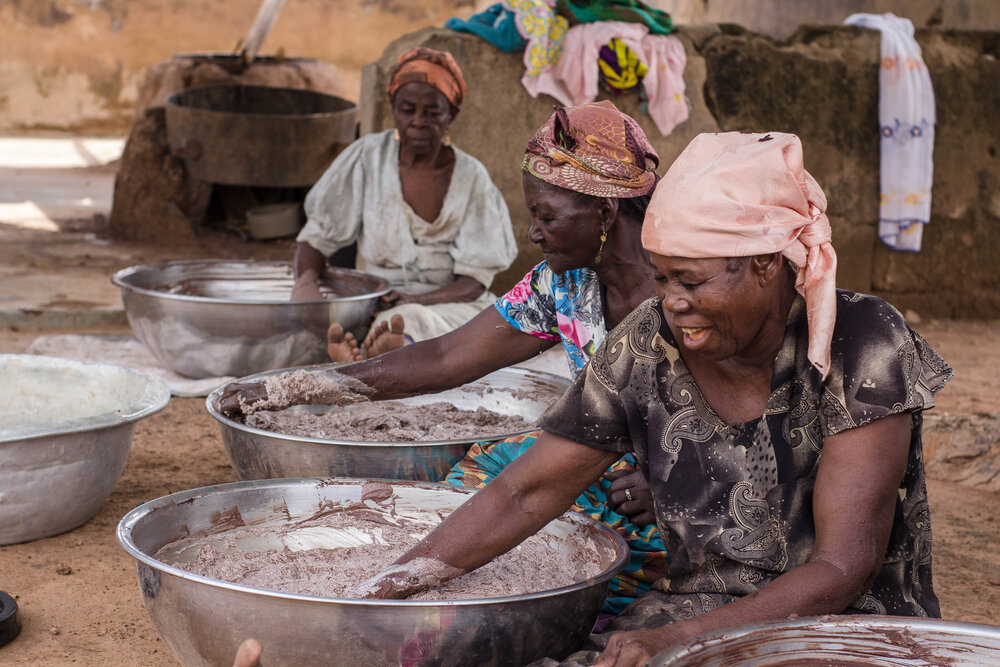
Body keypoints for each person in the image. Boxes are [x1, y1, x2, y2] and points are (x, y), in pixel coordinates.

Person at [352, 131, 953, 667]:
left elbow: (842, 568)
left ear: (767, 264)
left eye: (692, 280)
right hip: (696, 604)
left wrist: (679, 641)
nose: (672, 301)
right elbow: (525, 490)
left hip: (840, 629)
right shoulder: (646, 342)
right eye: (662, 278)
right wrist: (391, 584)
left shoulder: (862, 342)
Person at [221, 100, 669, 616]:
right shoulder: (565, 283)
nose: (533, 232)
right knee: (487, 478)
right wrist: (295, 387)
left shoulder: (686, 292)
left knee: (608, 586)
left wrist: (671, 476)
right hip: (598, 466)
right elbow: (447, 357)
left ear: (604, 212)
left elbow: (758, 412)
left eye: (545, 215)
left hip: (697, 479)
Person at [291, 47, 517, 361]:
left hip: (450, 307)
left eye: (432, 113)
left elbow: (474, 283)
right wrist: (306, 285)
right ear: (393, 109)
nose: (418, 122)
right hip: (372, 300)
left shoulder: (472, 178)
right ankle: (374, 357)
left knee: (415, 322)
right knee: (306, 334)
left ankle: (380, 357)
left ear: (452, 115)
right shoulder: (367, 157)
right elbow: (317, 237)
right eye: (407, 110)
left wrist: (413, 300)